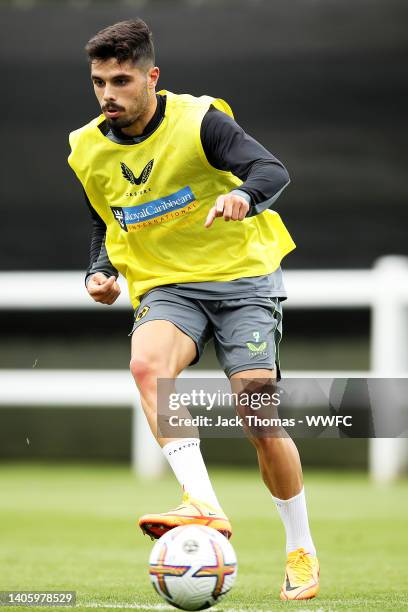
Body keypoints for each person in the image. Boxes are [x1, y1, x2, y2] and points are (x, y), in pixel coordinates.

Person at [68, 19, 319, 601]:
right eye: (99, 81)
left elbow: (272, 171)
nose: (109, 93)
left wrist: (242, 194)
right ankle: (203, 503)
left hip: (242, 277)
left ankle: (300, 547)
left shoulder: (198, 121)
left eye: (122, 80)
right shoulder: (86, 146)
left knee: (257, 410)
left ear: (152, 77)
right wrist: (99, 270)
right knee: (147, 367)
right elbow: (103, 219)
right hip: (168, 285)